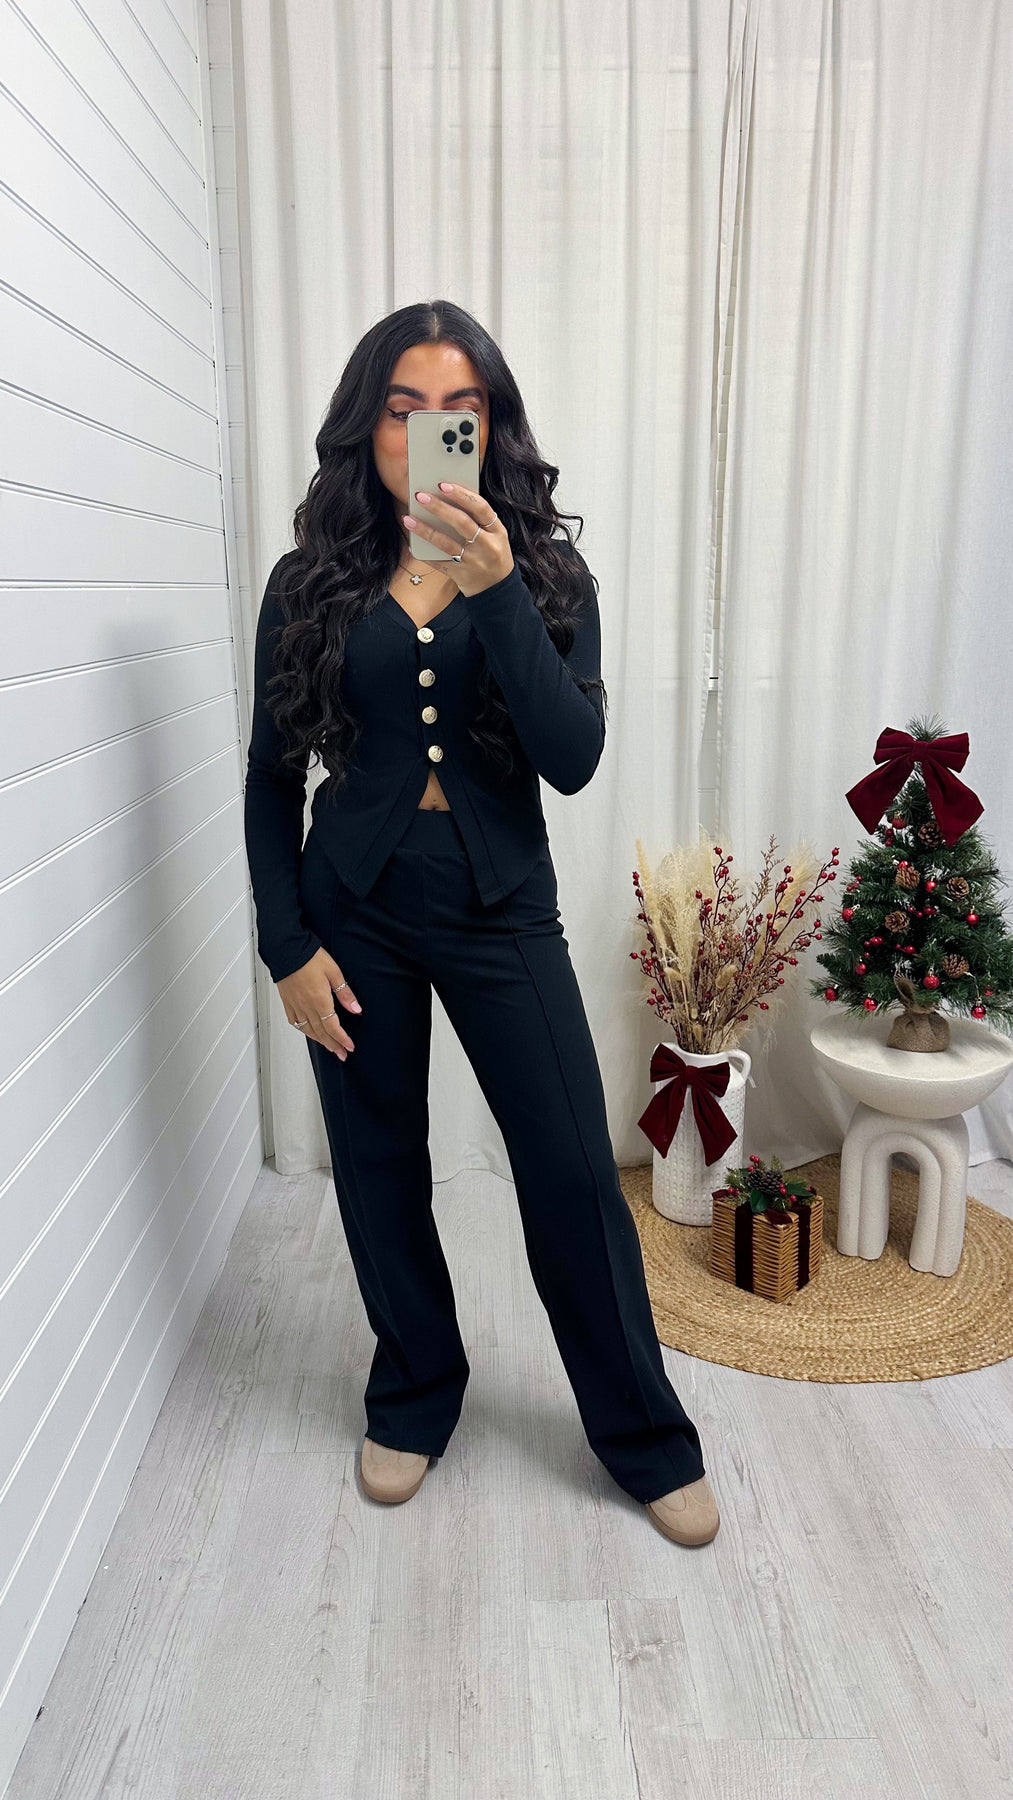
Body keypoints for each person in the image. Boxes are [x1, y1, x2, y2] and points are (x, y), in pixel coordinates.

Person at [243, 300, 719, 1547]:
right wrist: (286, 945)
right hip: (352, 909)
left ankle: (642, 1435)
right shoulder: (307, 581)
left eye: (458, 409)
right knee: (378, 1164)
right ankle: (412, 1394)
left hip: (500, 904)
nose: (428, 432)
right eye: (402, 410)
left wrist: (497, 588)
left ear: (490, 423)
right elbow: (268, 779)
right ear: (366, 428)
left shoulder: (549, 575)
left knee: (569, 1171)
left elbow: (571, 759)